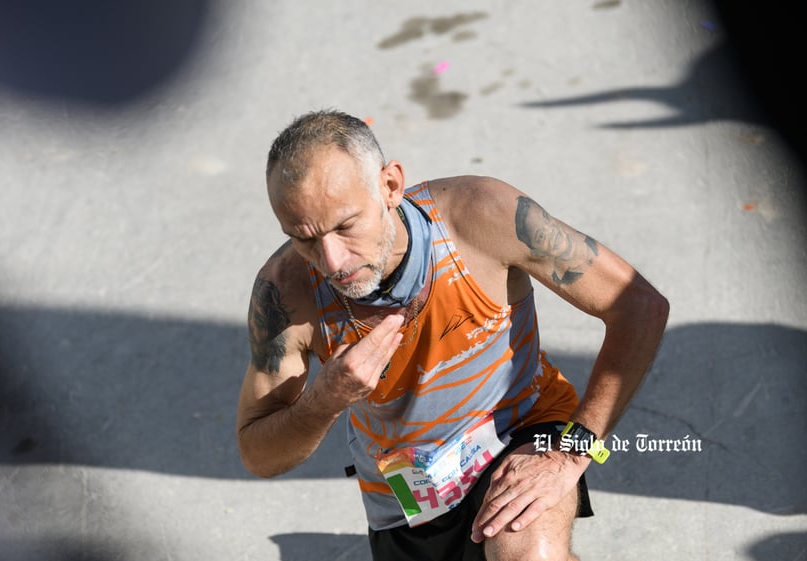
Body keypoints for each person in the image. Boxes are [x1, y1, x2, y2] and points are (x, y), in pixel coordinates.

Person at [236, 110, 669, 561]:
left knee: (529, 554)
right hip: (407, 497)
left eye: (345, 226)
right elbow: (257, 453)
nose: (332, 261)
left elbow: (638, 307)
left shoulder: (479, 216)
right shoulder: (286, 293)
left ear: (390, 186)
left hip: (523, 430)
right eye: (304, 238)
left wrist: (571, 455)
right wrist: (325, 398)